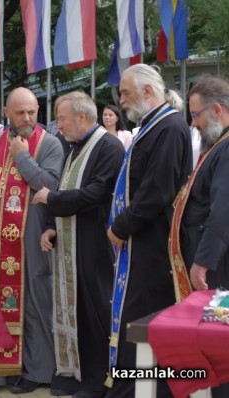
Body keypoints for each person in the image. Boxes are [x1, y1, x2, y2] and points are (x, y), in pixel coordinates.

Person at [0, 87, 64, 393]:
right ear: (6, 112)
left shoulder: (50, 144)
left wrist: (22, 157)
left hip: (31, 240)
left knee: (34, 305)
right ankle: (1, 372)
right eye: (20, 112)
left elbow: (49, 185)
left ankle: (38, 372)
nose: (27, 117)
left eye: (32, 111)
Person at [106, 64, 192, 398]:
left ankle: (138, 390)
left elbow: (157, 190)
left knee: (143, 321)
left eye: (125, 92)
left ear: (147, 91)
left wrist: (121, 226)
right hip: (140, 241)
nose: (121, 100)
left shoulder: (168, 128)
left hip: (152, 243)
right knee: (136, 320)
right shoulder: (152, 126)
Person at [33, 92, 125, 398]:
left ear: (82, 118)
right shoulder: (74, 148)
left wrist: (51, 199)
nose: (58, 125)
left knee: (93, 312)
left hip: (95, 244)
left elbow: (95, 193)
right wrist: (51, 228)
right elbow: (67, 185)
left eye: (62, 118)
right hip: (72, 242)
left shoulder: (108, 146)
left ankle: (98, 382)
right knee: (75, 311)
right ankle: (74, 375)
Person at [170, 76, 229, 398]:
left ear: (217, 110)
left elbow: (222, 210)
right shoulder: (219, 145)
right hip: (216, 266)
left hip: (218, 270)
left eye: (196, 115)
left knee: (219, 344)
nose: (193, 124)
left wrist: (202, 263)